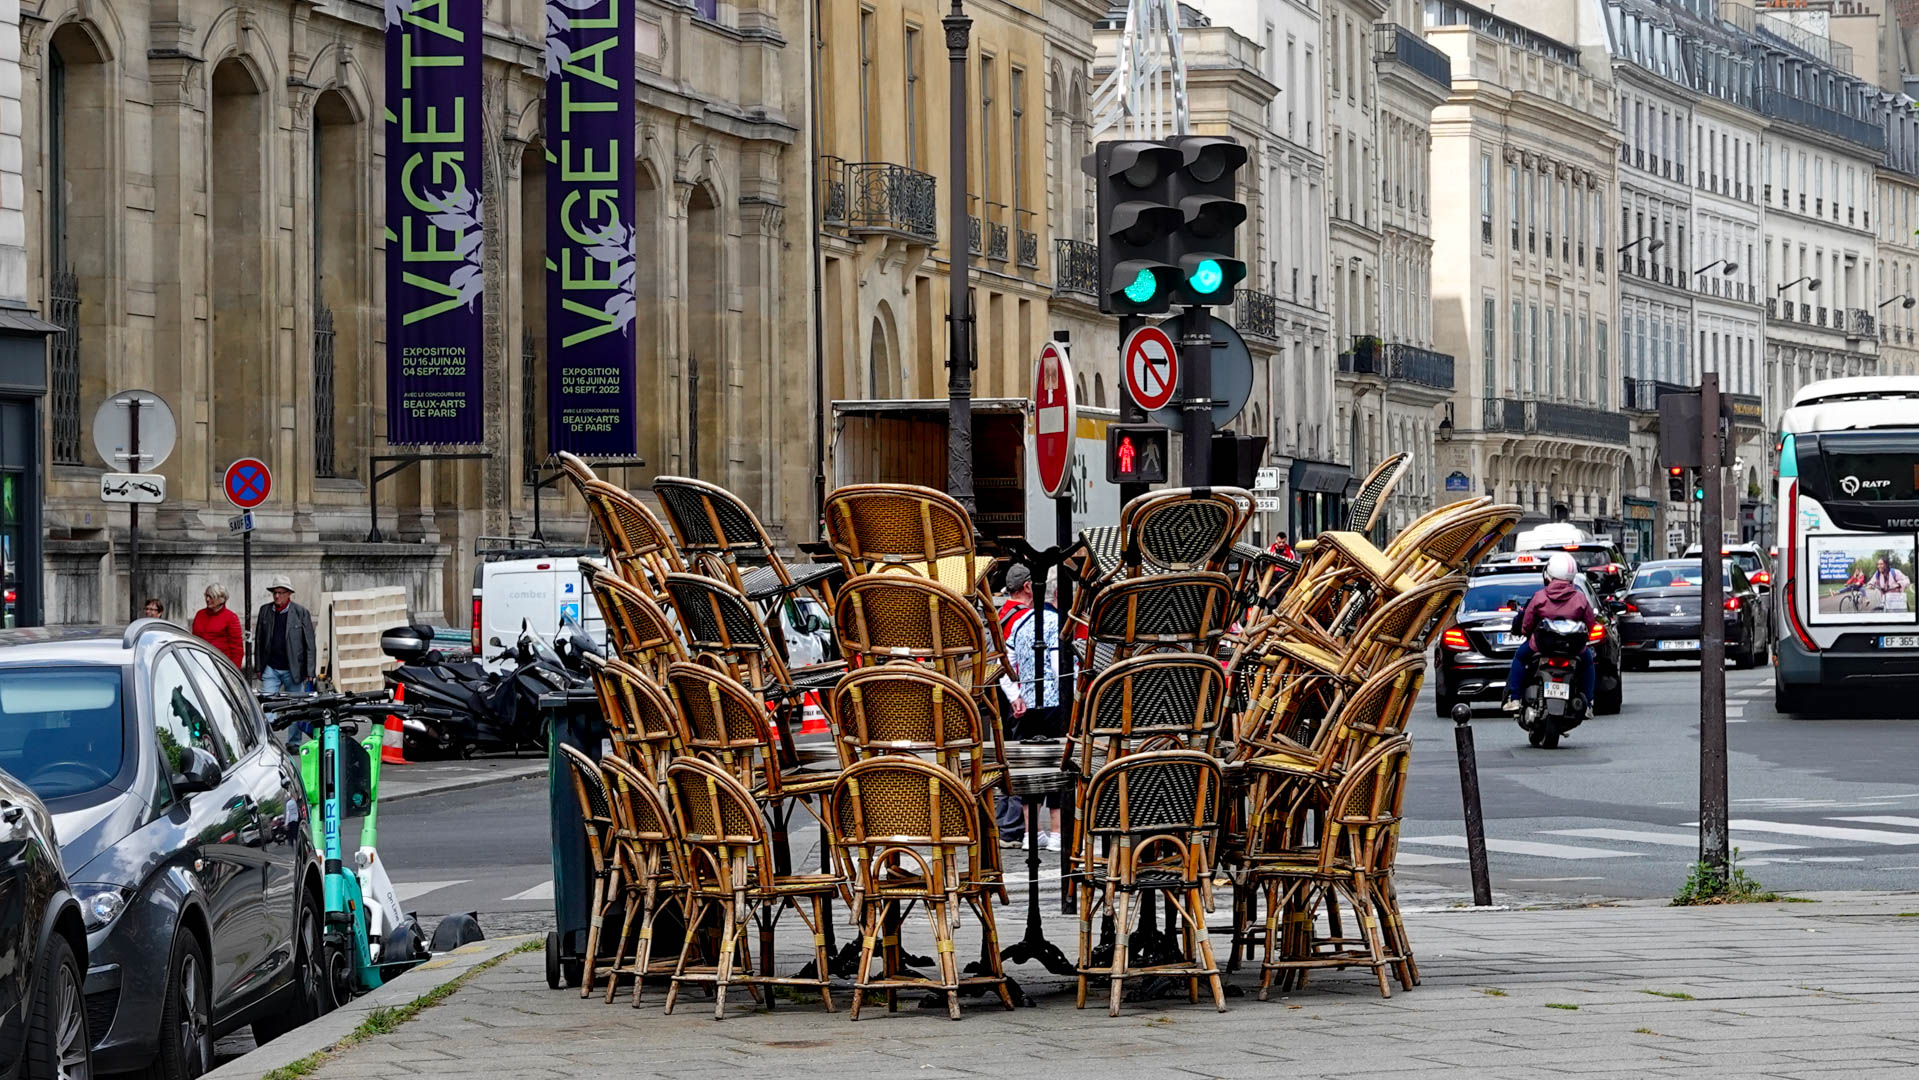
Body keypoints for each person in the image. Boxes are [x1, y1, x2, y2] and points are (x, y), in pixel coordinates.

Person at [1004, 571, 1065, 852]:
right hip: (1055, 704)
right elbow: (1058, 666)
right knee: (1058, 765)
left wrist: (1015, 696)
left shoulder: (1020, 623)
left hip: (1027, 705)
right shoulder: (1056, 623)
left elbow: (1005, 665)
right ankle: (1057, 832)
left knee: (1031, 767)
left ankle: (1032, 833)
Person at [1502, 552, 1597, 712]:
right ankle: (1588, 704)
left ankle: (1515, 698)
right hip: (1572, 648)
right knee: (1588, 663)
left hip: (1540, 646)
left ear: (1549, 574)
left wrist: (1527, 633)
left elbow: (1526, 624)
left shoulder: (1539, 597)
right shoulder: (1580, 598)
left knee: (1519, 657)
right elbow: (1590, 624)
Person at [254, 575, 317, 694]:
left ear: (288, 594)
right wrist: (258, 667)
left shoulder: (301, 612)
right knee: (268, 702)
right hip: (271, 668)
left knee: (295, 703)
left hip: (293, 670)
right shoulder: (265, 610)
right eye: (275, 593)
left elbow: (310, 644)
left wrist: (310, 671)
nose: (277, 596)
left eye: (280, 593)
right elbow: (259, 641)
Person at [192, 584, 246, 669]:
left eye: (211, 597)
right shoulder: (200, 614)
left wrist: (233, 670)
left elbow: (237, 649)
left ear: (221, 599)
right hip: (200, 663)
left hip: (221, 666)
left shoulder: (231, 617)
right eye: (206, 596)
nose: (207, 599)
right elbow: (194, 640)